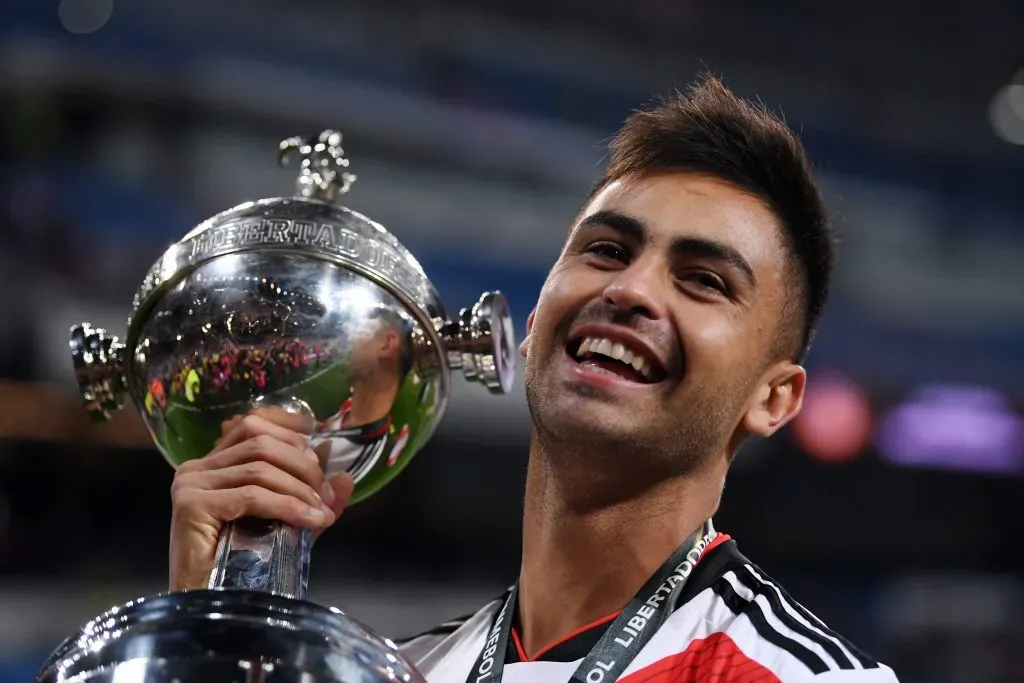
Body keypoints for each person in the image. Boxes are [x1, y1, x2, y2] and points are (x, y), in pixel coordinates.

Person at [168, 75, 900, 682]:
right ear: (533, 318)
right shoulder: (409, 672)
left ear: (774, 398)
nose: (632, 290)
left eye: (703, 279)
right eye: (608, 249)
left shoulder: (801, 677)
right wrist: (210, 628)